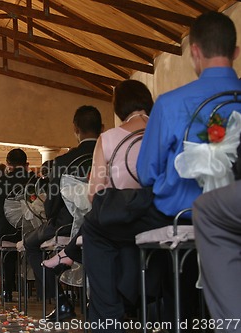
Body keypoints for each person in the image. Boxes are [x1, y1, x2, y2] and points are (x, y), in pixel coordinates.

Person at [79, 12, 241, 332]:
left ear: (194, 52)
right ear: (235, 52)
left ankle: (109, 323)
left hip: (179, 214)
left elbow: (146, 171)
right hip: (234, 211)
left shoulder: (170, 103)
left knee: (95, 227)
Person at [41, 80, 153, 320]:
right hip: (167, 216)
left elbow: (94, 193)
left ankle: (107, 312)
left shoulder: (110, 139)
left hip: (121, 219)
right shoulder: (166, 130)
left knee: (97, 226)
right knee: (103, 227)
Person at [24, 105, 102, 319]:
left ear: (75, 129)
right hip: (106, 221)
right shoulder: (110, 154)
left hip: (65, 226)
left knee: (30, 244)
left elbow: (51, 207)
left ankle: (61, 303)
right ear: (102, 128)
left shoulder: (61, 162)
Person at [193, 133, 241, 331]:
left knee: (206, 210)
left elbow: (146, 172)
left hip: (174, 209)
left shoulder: (167, 107)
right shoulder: (231, 103)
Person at [0, 148, 37, 302]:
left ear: (8, 164)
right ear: (26, 164)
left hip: (7, 232)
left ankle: (7, 290)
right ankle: (38, 288)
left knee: (6, 253)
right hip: (32, 230)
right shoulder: (34, 181)